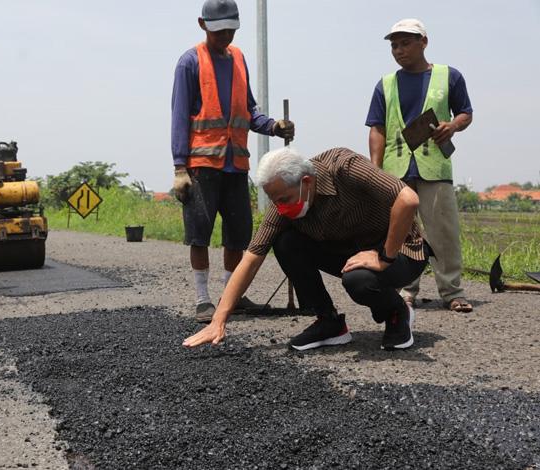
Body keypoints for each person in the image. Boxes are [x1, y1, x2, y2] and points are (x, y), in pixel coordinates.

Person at [183, 147, 430, 351]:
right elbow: (251, 259)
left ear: (307, 182)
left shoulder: (344, 166)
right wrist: (219, 320)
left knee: (358, 280)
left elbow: (408, 199)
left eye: (284, 200)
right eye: (275, 201)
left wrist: (383, 257)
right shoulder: (284, 199)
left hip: (400, 251)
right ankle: (329, 322)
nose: (281, 208)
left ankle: (398, 312)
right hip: (352, 254)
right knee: (286, 242)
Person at [171, 0, 295, 323]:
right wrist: (179, 167)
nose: (225, 36)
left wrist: (273, 126)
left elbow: (250, 110)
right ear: (203, 25)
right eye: (219, 31)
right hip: (202, 166)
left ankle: (232, 295)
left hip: (236, 165)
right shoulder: (189, 62)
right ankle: (203, 300)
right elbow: (179, 116)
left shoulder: (239, 59)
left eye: (230, 30)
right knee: (199, 233)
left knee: (238, 234)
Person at [366, 19, 474, 313]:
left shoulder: (449, 76)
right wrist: (375, 171)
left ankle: (452, 291)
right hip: (396, 169)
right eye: (394, 46)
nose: (398, 50)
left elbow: (466, 112)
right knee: (400, 231)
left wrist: (453, 126)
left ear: (423, 42)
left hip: (434, 165)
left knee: (443, 231)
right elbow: (377, 128)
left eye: (405, 43)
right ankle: (405, 290)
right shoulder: (385, 84)